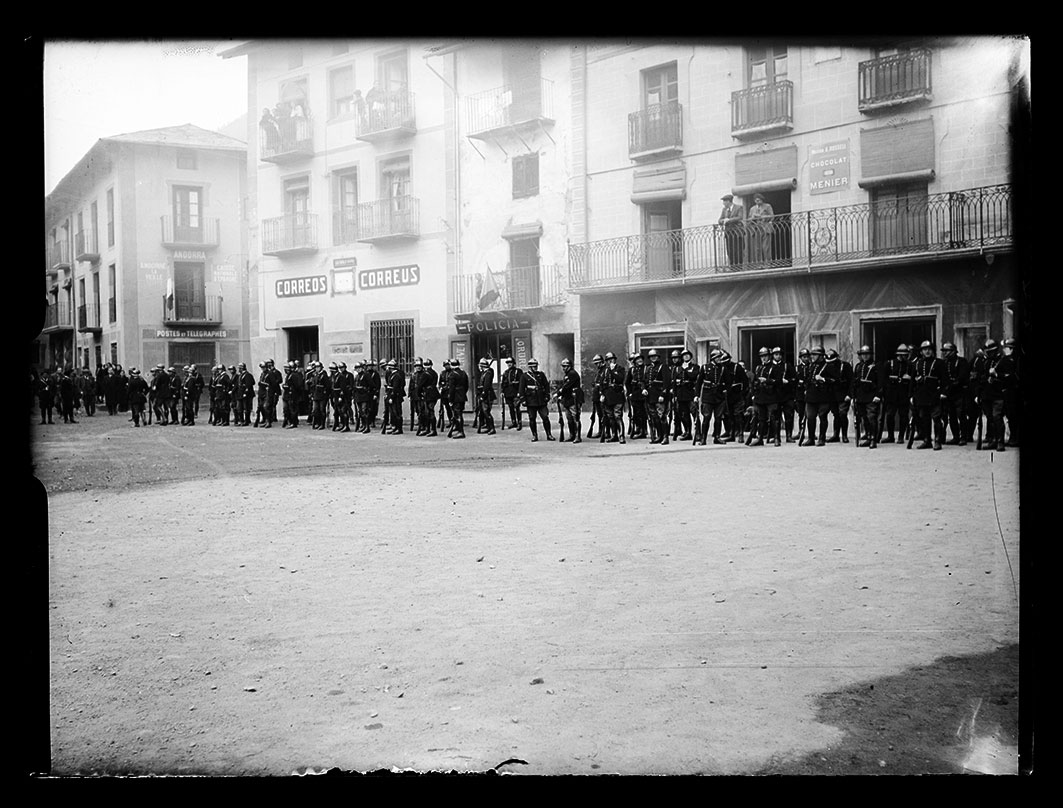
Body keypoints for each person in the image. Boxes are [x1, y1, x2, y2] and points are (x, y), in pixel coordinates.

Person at [974, 339, 1015, 452]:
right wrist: (978, 395)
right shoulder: (985, 362)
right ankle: (993, 440)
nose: (989, 353)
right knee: (990, 418)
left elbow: (1010, 377)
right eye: (988, 351)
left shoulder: (1004, 361)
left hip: (998, 394)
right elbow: (980, 379)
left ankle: (1000, 442)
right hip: (986, 395)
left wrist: (997, 375)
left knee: (997, 417)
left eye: (991, 351)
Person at [910, 340, 947, 450]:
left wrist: (944, 392)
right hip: (921, 395)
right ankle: (927, 440)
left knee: (936, 418)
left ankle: (937, 441)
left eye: (929, 349)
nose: (927, 351)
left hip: (935, 394)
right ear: (921, 352)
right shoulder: (917, 364)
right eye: (925, 350)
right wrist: (911, 395)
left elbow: (945, 380)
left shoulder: (939, 363)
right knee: (924, 419)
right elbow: (912, 381)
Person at [694, 349, 732, 445]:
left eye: (720, 357)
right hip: (708, 396)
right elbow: (699, 383)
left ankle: (717, 437)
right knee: (706, 417)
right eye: (718, 358)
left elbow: (729, 382)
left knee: (718, 418)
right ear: (713, 358)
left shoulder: (723, 368)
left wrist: (726, 390)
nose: (719, 359)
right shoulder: (705, 367)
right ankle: (703, 439)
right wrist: (697, 395)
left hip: (719, 396)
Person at [749, 347, 784, 446]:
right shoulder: (758, 368)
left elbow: (779, 382)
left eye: (765, 356)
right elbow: (754, 382)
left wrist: (767, 381)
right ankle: (760, 438)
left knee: (774, 418)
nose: (763, 358)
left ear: (769, 356)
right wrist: (754, 395)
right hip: (760, 396)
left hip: (771, 395)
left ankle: (776, 438)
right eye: (762, 357)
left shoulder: (775, 367)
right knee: (761, 418)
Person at [850, 345, 883, 448]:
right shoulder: (858, 366)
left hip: (872, 395)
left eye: (867, 354)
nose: (865, 356)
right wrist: (853, 397)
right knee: (864, 418)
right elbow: (854, 383)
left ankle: (873, 439)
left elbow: (881, 382)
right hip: (860, 396)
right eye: (863, 354)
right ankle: (868, 437)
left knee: (872, 417)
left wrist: (878, 395)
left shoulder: (876, 366)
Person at [803, 346, 837, 447]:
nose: (812, 357)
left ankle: (822, 438)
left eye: (815, 355)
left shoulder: (828, 366)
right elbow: (808, 379)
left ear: (821, 356)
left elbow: (835, 380)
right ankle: (811, 438)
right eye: (812, 355)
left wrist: (823, 379)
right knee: (810, 417)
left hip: (823, 396)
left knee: (823, 417)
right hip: (811, 396)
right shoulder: (811, 366)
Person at [881, 344, 912, 444]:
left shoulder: (909, 365)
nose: (904, 356)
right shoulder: (889, 364)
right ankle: (890, 436)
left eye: (905, 355)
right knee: (890, 416)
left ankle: (901, 436)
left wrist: (909, 378)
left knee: (903, 416)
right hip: (891, 394)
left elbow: (913, 380)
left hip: (904, 393)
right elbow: (884, 380)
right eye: (902, 354)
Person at [940, 343, 969, 445]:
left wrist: (950, 387)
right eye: (944, 351)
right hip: (949, 394)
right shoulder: (944, 363)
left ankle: (963, 437)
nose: (945, 353)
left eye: (947, 351)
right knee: (951, 416)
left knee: (961, 415)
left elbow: (962, 378)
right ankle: (956, 436)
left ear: (953, 351)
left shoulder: (961, 361)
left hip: (959, 392)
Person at [518, 358, 554, 441]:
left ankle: (549, 434)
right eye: (533, 366)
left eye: (536, 366)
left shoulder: (541, 375)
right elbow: (521, 389)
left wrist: (547, 396)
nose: (535, 368)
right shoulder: (524, 376)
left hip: (541, 400)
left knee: (545, 417)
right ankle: (534, 435)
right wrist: (523, 400)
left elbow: (546, 386)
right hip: (531, 401)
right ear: (530, 367)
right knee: (532, 418)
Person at [643, 349, 672, 445]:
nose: (653, 358)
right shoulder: (648, 368)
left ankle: (665, 437)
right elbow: (644, 381)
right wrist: (644, 389)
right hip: (650, 396)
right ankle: (659, 436)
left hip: (660, 396)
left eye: (655, 356)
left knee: (662, 417)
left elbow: (667, 382)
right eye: (651, 357)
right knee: (654, 417)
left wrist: (663, 395)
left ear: (658, 357)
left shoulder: (663, 367)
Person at [599, 352, 627, 444]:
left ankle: (621, 436)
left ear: (615, 360)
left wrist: (612, 370)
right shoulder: (605, 370)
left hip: (618, 395)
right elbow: (602, 383)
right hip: (608, 396)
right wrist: (602, 394)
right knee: (610, 417)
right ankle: (614, 435)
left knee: (617, 416)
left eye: (611, 359)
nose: (610, 361)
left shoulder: (620, 369)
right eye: (608, 360)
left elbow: (620, 379)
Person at [827, 349, 852, 443]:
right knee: (836, 415)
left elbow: (851, 381)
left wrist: (849, 394)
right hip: (832, 395)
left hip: (843, 394)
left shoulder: (845, 366)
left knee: (843, 414)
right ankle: (836, 435)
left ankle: (844, 435)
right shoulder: (827, 366)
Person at [1001, 338, 1021, 447]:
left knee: (1013, 416)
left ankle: (1014, 438)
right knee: (1011, 415)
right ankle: (1013, 437)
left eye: (1006, 348)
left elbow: (1010, 376)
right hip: (1010, 391)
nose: (1004, 350)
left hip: (1013, 391)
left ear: (1011, 349)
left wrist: (996, 375)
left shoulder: (1010, 360)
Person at [558, 358, 583, 443]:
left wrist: (559, 393)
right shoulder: (567, 374)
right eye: (563, 366)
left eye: (565, 366)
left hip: (574, 399)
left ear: (569, 366)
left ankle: (577, 436)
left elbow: (566, 386)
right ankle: (572, 435)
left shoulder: (572, 374)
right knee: (569, 418)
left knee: (575, 417)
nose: (564, 368)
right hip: (568, 399)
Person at [625, 352, 648, 440]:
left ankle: (644, 430)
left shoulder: (646, 368)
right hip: (635, 394)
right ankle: (639, 430)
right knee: (636, 413)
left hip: (644, 393)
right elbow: (627, 383)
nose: (639, 360)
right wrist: (630, 393)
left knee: (645, 413)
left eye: (640, 359)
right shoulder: (632, 370)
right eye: (637, 359)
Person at [718, 193, 745, 267]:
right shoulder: (724, 210)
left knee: (738, 249)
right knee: (730, 250)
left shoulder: (739, 207)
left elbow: (739, 217)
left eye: (724, 201)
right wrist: (723, 221)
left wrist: (729, 220)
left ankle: (739, 266)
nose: (723, 203)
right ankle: (732, 266)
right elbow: (719, 220)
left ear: (728, 201)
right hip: (728, 232)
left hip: (737, 232)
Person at [446, 357, 470, 439]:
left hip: (456, 396)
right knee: (459, 414)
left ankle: (461, 432)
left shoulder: (452, 374)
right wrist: (462, 393)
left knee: (457, 415)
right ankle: (459, 429)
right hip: (462, 396)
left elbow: (451, 389)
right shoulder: (463, 373)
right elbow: (466, 386)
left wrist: (450, 399)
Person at [748, 193, 775, 263]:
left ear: (762, 200)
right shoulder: (752, 209)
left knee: (766, 247)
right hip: (756, 229)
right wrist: (753, 217)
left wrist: (761, 216)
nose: (757, 202)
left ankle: (767, 263)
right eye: (756, 200)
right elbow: (749, 219)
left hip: (765, 228)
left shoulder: (767, 206)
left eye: (759, 200)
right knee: (757, 248)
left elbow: (772, 216)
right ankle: (759, 264)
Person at [417, 358, 440, 436]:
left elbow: (420, 385)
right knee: (430, 411)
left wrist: (419, 394)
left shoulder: (425, 374)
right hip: (434, 393)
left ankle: (430, 429)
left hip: (428, 394)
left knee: (428, 412)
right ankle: (430, 429)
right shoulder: (435, 373)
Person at [383, 359, 406, 434]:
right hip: (391, 395)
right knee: (393, 413)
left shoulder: (396, 376)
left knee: (397, 413)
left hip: (395, 397)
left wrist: (392, 397)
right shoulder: (393, 375)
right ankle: (395, 427)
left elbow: (395, 388)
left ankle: (399, 429)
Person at [501, 357, 523, 431]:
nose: (509, 364)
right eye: (508, 363)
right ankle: (514, 422)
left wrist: (519, 392)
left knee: (517, 408)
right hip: (508, 393)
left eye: (510, 362)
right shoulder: (505, 372)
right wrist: (502, 392)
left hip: (515, 392)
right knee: (511, 408)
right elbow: (503, 383)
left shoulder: (518, 371)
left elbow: (521, 383)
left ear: (514, 363)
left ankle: (519, 422)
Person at [475, 358, 496, 434]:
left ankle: (492, 428)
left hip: (488, 395)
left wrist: (483, 395)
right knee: (484, 412)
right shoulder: (484, 373)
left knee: (486, 412)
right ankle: (488, 427)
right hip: (484, 394)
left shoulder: (488, 373)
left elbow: (486, 386)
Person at [589, 354, 607, 439]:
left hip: (602, 395)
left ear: (602, 362)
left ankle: (606, 432)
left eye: (598, 363)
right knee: (600, 414)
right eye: (596, 363)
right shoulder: (599, 371)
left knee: (604, 414)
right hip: (596, 396)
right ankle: (601, 431)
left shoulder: (605, 370)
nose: (597, 365)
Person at [407, 359, 425, 434]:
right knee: (413, 411)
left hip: (420, 395)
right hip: (414, 395)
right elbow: (411, 385)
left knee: (421, 411)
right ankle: (413, 425)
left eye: (419, 366)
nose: (418, 368)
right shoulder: (413, 375)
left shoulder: (424, 374)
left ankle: (423, 424)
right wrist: (410, 394)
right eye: (417, 366)